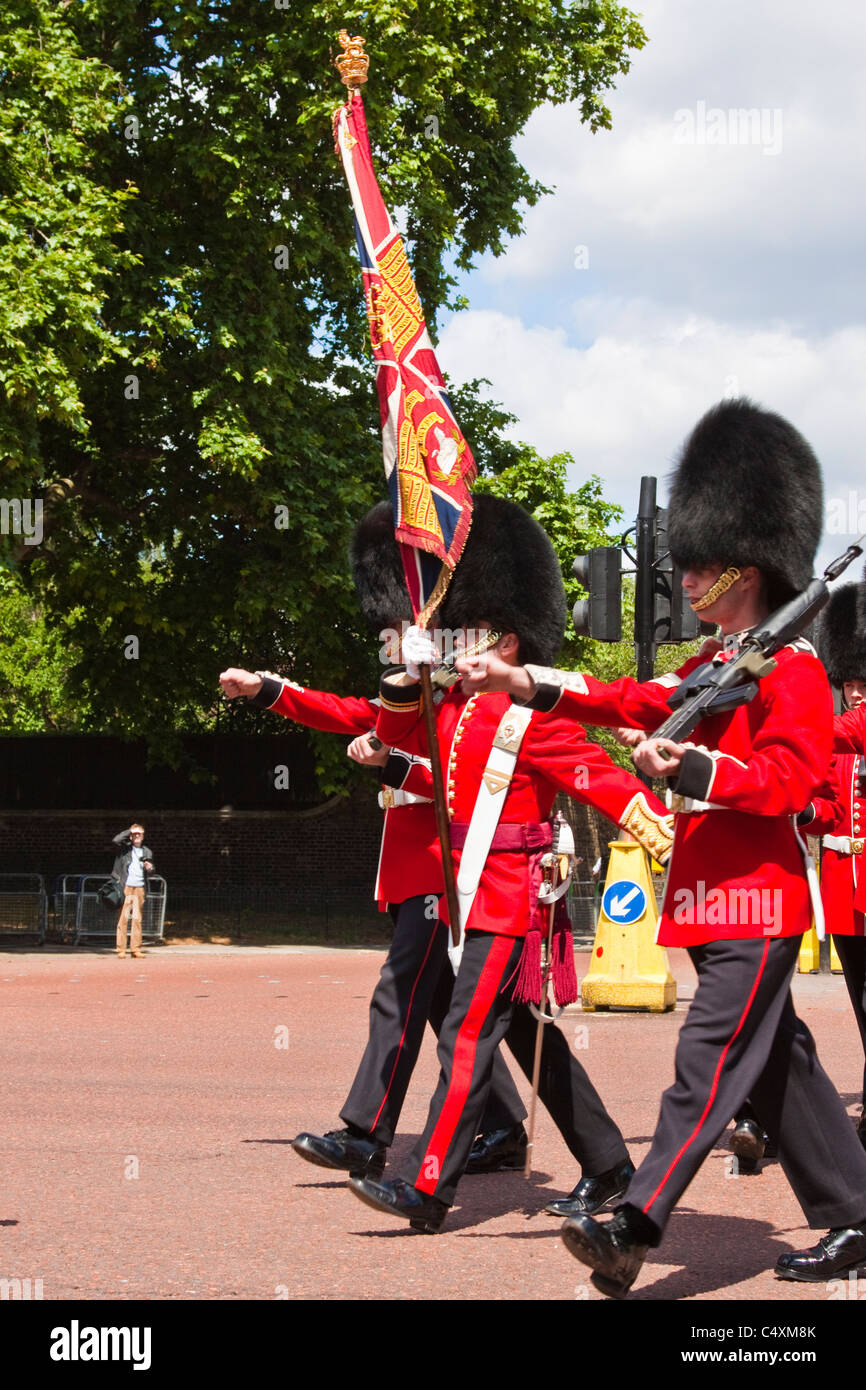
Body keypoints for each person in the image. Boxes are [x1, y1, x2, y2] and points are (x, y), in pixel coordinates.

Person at [458, 400, 866, 1295]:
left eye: (701, 566)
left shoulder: (794, 672)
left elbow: (791, 783)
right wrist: (524, 678)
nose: (685, 579)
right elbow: (628, 699)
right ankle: (855, 1211)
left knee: (706, 1061)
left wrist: (695, 773)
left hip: (760, 905)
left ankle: (634, 1219)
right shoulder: (711, 667)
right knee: (777, 1068)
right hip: (713, 905)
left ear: (744, 565)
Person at [349, 496, 675, 1233]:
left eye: (470, 636)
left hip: (509, 897)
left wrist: (665, 837)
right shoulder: (458, 708)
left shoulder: (529, 712)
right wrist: (397, 739)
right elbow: (440, 776)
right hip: (467, 891)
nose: (457, 649)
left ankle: (430, 1188)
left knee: (467, 1031)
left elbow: (600, 776)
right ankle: (608, 1162)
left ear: (507, 640)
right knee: (527, 1038)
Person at [219, 502, 530, 1185]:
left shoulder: (466, 698)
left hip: (444, 871)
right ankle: (506, 1126)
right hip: (416, 869)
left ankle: (366, 1133)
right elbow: (350, 713)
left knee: (399, 993)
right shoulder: (423, 686)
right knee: (455, 1010)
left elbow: (438, 771)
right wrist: (268, 689)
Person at [817, 564, 866, 1148]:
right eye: (849, 679)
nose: (856, 687)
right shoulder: (842, 740)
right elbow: (824, 805)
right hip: (843, 886)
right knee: (860, 998)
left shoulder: (847, 730)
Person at [112, 824, 154, 959]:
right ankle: (121, 949)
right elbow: (116, 840)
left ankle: (135, 949)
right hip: (126, 887)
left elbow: (152, 872)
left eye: (139, 834)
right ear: (130, 836)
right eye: (134, 834)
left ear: (143, 837)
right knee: (123, 918)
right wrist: (130, 830)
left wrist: (150, 868)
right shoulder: (125, 849)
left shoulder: (146, 851)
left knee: (137, 919)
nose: (137, 836)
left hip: (139, 887)